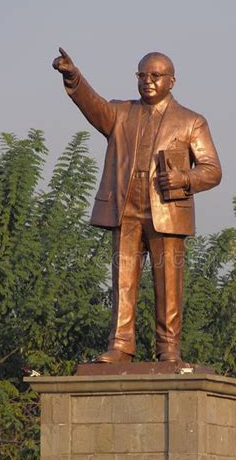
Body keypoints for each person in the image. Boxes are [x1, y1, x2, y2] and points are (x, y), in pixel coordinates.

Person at [52, 48, 222, 363]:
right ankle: (120, 345)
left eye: (155, 76)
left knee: (169, 282)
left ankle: (168, 348)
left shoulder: (191, 121)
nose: (148, 82)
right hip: (125, 206)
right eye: (142, 75)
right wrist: (73, 77)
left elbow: (212, 170)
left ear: (172, 81)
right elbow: (93, 105)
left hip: (167, 209)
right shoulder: (120, 113)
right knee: (123, 279)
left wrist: (184, 178)